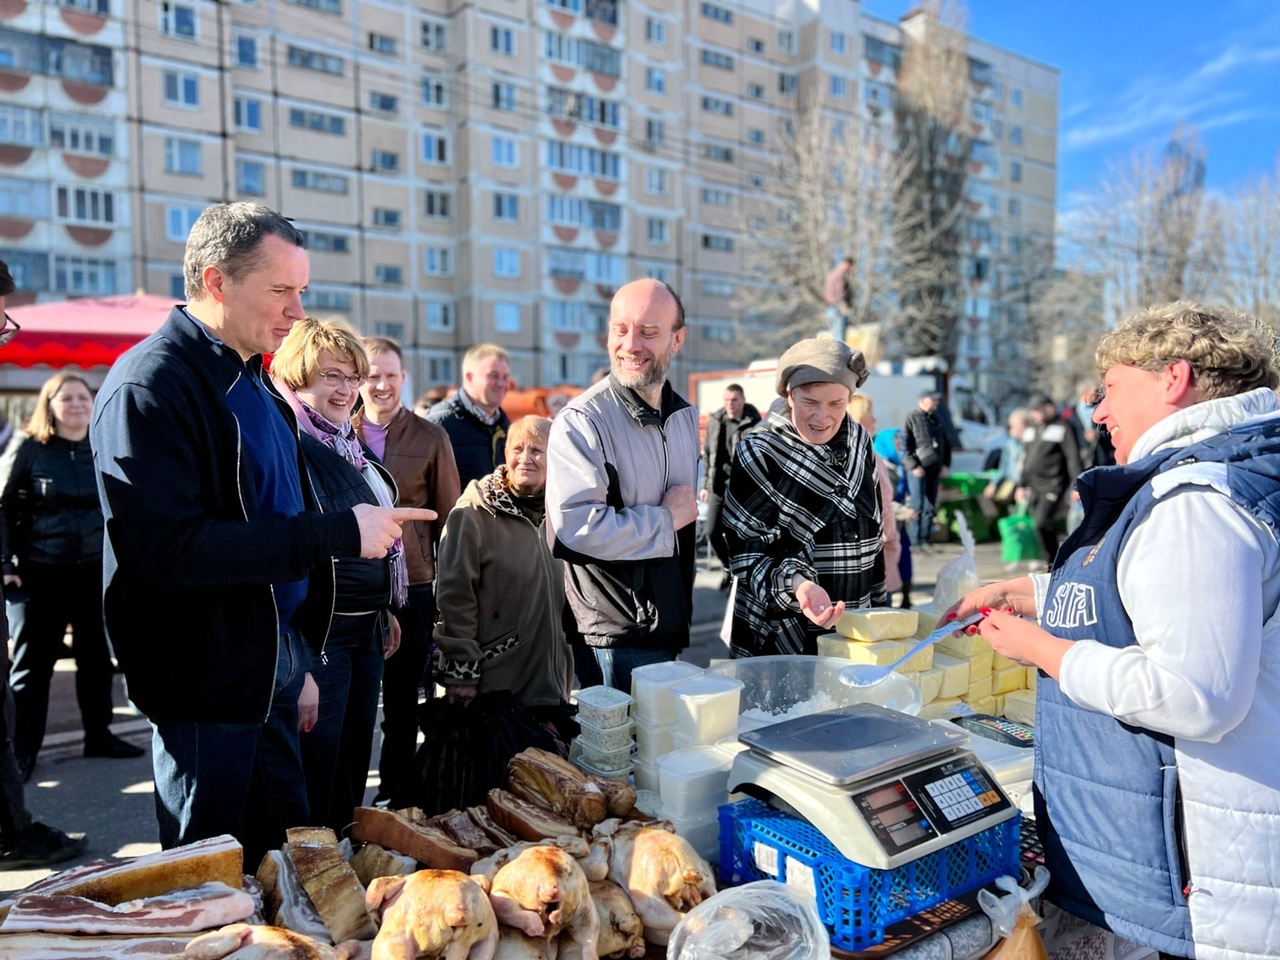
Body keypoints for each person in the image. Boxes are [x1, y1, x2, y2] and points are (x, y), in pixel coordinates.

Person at [90, 202, 432, 865]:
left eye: (301, 290)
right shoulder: (152, 385)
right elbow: (168, 552)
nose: (298, 310)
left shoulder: (255, 379)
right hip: (206, 684)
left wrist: (297, 657)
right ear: (217, 283)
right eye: (282, 290)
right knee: (212, 880)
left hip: (270, 670)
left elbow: (272, 521)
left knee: (287, 863)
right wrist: (337, 532)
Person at [948, 302, 1280, 960]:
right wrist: (1030, 593)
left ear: (1173, 378)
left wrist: (1038, 650)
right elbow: (1152, 597)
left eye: (1111, 388)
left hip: (1212, 863)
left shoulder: (1197, 504)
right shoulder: (1213, 481)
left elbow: (1196, 694)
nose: (1098, 411)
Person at [271, 318, 403, 835]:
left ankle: (345, 863)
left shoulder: (347, 442)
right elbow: (289, 557)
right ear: (299, 376)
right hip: (320, 635)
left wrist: (384, 607)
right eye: (332, 376)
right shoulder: (291, 445)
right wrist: (299, 660)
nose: (347, 389)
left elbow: (371, 535)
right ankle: (311, 877)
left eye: (353, 377)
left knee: (351, 763)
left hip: (364, 628)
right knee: (315, 770)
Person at [546, 279, 699, 693]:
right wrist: (666, 521)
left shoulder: (684, 416)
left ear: (677, 339)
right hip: (614, 635)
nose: (630, 344)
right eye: (620, 329)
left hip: (668, 622)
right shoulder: (582, 422)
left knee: (658, 752)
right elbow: (574, 530)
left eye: (649, 332)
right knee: (621, 754)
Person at [0, 372, 144, 782]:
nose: (78, 404)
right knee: (33, 666)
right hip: (40, 573)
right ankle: (22, 751)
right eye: (68, 398)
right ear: (50, 404)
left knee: (97, 660)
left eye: (84, 397)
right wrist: (6, 566)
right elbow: (3, 509)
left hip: (95, 574)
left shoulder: (103, 446)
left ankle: (99, 736)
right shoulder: (29, 449)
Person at [722, 338, 887, 658]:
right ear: (789, 394)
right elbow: (745, 553)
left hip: (855, 628)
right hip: (784, 632)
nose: (822, 417)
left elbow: (873, 530)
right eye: (810, 402)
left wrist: (879, 607)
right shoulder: (759, 451)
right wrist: (798, 585)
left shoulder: (860, 441)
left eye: (836, 404)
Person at [0, 259, 86, 869]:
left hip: (83, 573)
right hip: (38, 574)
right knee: (22, 685)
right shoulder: (30, 450)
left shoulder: (94, 447)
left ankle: (12, 826)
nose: (6, 328)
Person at [356, 337, 459, 808]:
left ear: (403, 379)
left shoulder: (430, 436)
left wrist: (447, 595)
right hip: (353, 588)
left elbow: (449, 519)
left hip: (411, 586)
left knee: (400, 703)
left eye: (390, 375)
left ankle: (395, 793)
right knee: (352, 703)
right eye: (372, 374)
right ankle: (343, 804)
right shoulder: (338, 432)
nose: (381, 384)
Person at [435, 416, 572, 713]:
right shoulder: (473, 513)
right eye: (517, 449)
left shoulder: (563, 509)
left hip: (552, 675)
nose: (525, 459)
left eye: (537, 451)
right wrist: (462, 671)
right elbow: (454, 596)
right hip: (495, 678)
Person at [700, 384, 761, 590]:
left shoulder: (754, 423)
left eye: (734, 400)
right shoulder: (716, 421)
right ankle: (729, 568)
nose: (730, 404)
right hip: (718, 486)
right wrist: (706, 484)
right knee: (711, 532)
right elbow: (708, 455)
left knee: (738, 535)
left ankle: (740, 578)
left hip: (742, 490)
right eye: (726, 400)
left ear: (743, 400)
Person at [426, 344, 512, 488]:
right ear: (469, 377)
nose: (501, 384)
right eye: (493, 375)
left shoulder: (505, 425)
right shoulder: (440, 424)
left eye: (505, 377)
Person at [1017, 393, 1083, 563]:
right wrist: (1021, 485)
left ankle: (1055, 561)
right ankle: (1052, 560)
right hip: (1034, 486)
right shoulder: (1032, 430)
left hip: (1053, 484)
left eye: (1037, 410)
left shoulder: (1063, 428)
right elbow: (1026, 458)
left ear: (1049, 408)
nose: (1034, 414)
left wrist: (1077, 485)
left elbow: (1073, 458)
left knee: (1041, 521)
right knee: (1041, 525)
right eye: (1032, 411)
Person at [847, 395, 901, 597]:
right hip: (875, 549)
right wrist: (891, 538)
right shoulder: (869, 454)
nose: (875, 420)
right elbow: (884, 500)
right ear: (860, 418)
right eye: (871, 415)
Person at [901, 391, 951, 554]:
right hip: (918, 471)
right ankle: (915, 543)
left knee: (930, 506)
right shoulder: (912, 418)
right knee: (917, 505)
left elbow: (946, 443)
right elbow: (905, 445)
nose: (936, 403)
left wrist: (945, 464)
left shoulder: (936, 419)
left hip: (934, 470)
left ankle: (925, 540)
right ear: (922, 400)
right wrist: (914, 466)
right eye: (933, 400)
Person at [983, 408, 1028, 506]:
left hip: (1025, 485)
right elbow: (1003, 468)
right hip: (1011, 483)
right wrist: (993, 484)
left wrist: (1022, 486)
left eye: (1020, 426)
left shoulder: (1031, 445)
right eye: (1014, 427)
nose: (1017, 430)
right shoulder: (1010, 444)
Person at [823, 257, 853, 341]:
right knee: (840, 340)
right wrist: (843, 304)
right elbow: (840, 291)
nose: (850, 270)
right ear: (847, 264)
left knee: (834, 337)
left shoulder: (831, 274)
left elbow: (825, 292)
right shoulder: (840, 275)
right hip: (838, 308)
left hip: (829, 307)